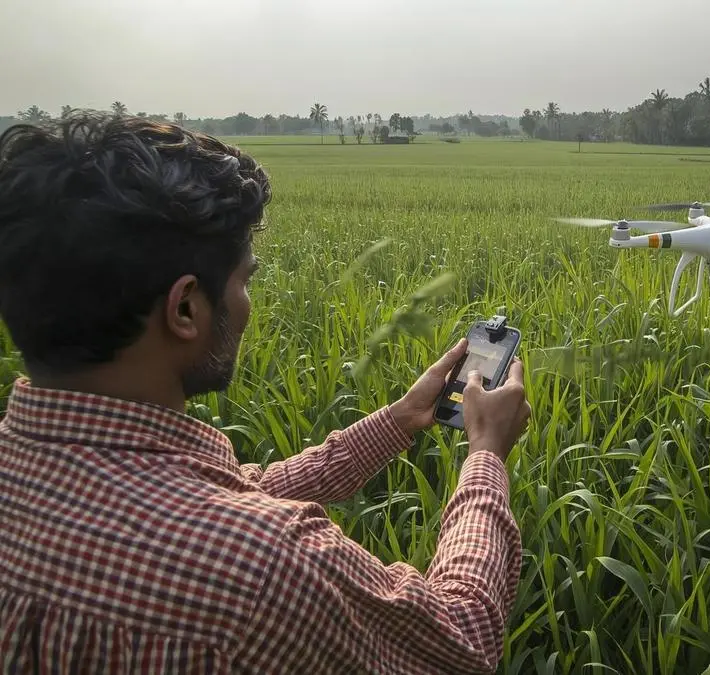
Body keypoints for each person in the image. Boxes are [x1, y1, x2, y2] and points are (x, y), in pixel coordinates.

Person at [0, 112, 531, 674]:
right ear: (185, 308)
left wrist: (399, 419)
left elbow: (229, 491)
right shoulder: (260, 563)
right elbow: (461, 642)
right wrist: (486, 456)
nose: (248, 303)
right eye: (244, 280)